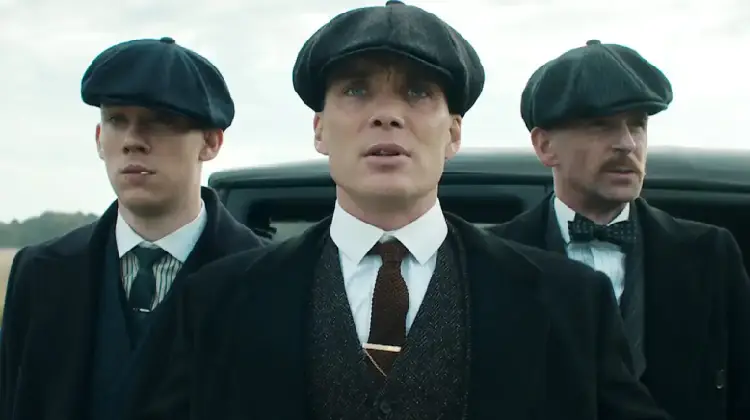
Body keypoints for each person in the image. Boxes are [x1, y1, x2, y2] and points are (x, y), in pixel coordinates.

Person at [125, 3, 670, 419]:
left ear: (452, 133)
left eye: (417, 93)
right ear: (320, 129)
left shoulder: (570, 301)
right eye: (356, 90)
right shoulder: (216, 301)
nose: (387, 115)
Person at [0, 37, 267, 420]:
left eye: (160, 121)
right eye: (116, 121)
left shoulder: (268, 281)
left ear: (210, 142)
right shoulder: (40, 273)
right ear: (99, 139)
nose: (132, 141)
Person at [489, 40, 750, 420]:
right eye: (601, 126)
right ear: (545, 146)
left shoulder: (709, 253)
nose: (627, 144)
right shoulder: (494, 258)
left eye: (638, 125)